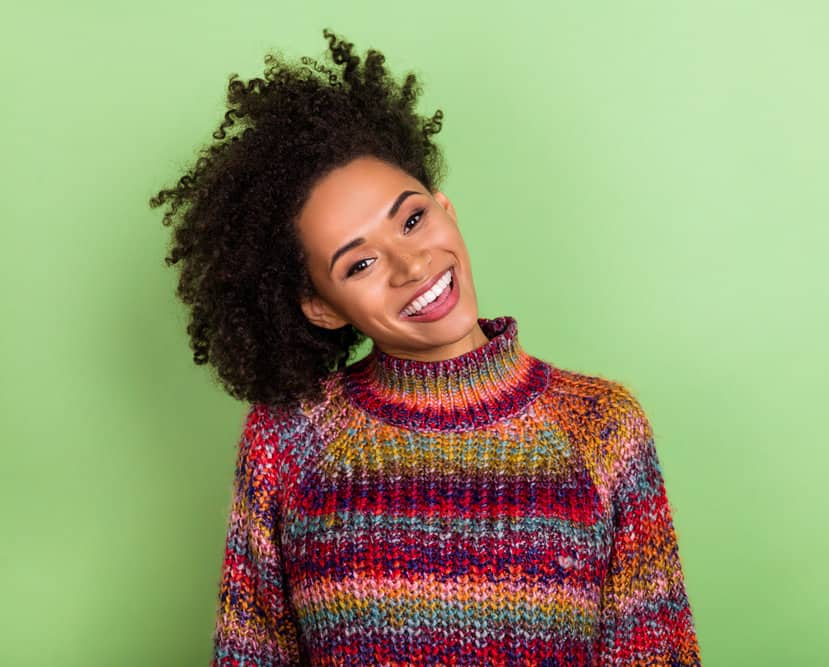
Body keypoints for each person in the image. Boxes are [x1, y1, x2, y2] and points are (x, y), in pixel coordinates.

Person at [149, 28, 702, 667]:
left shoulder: (601, 425)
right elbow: (251, 654)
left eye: (413, 220)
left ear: (446, 209)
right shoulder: (289, 439)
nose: (412, 265)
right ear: (321, 306)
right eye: (358, 266)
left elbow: (656, 654)